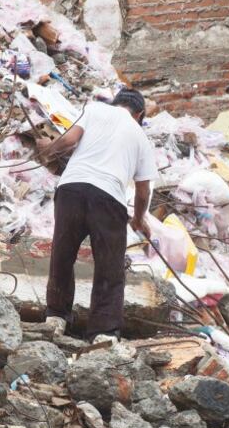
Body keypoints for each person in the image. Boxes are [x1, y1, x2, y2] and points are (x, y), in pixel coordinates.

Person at [36, 89, 157, 344]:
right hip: (109, 198)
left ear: (116, 103)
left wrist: (48, 149)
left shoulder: (94, 109)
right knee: (109, 267)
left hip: (71, 189)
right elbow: (143, 191)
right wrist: (138, 219)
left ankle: (56, 318)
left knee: (63, 254)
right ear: (139, 114)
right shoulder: (141, 138)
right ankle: (103, 332)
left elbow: (69, 140)